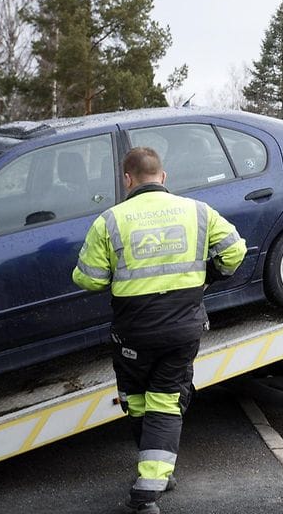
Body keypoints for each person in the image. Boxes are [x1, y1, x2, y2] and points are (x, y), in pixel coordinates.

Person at [73, 146, 246, 514]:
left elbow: (89, 279)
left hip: (133, 332)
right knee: (165, 400)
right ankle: (155, 475)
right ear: (163, 177)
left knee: (136, 399)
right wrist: (207, 276)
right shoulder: (198, 211)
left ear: (127, 179)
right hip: (182, 329)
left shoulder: (110, 220)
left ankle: (150, 481)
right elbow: (235, 251)